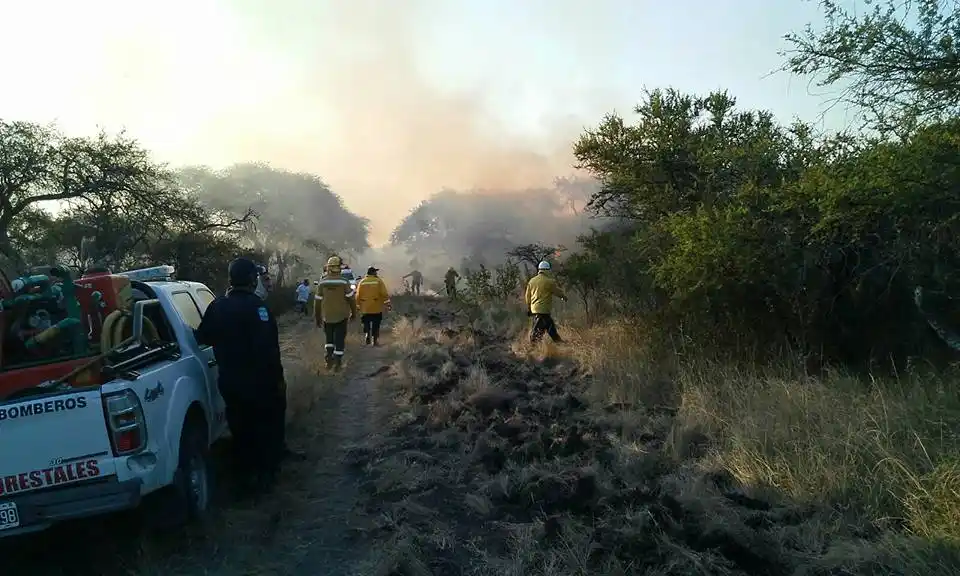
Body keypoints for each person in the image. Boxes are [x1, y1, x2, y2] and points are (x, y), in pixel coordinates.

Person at [195, 257, 285, 497]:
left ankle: (244, 479)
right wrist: (278, 381)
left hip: (230, 382)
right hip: (260, 382)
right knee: (263, 427)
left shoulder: (217, 307)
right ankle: (266, 476)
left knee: (240, 428)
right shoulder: (258, 308)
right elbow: (269, 350)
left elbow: (203, 337)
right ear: (252, 279)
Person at [315, 255, 357, 371]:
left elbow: (317, 302)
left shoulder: (322, 283)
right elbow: (351, 299)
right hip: (342, 316)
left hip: (326, 316)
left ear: (328, 268)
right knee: (339, 339)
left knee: (329, 338)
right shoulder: (344, 282)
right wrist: (354, 313)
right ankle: (337, 363)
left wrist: (317, 317)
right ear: (339, 268)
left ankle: (329, 358)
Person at [524, 260, 566, 344]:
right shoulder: (549, 281)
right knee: (536, 337)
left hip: (535, 310)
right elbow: (558, 292)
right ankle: (531, 352)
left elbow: (527, 296)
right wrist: (564, 297)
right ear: (547, 270)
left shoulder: (532, 281)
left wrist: (529, 308)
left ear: (539, 269)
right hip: (544, 311)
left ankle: (559, 345)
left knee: (550, 330)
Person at [356, 266, 390, 346]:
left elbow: (358, 295)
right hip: (376, 307)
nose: (376, 273)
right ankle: (374, 341)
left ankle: (367, 334)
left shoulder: (362, 282)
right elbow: (384, 294)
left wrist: (358, 306)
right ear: (373, 273)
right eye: (375, 271)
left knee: (366, 322)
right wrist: (387, 304)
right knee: (376, 324)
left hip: (365, 308)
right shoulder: (378, 281)